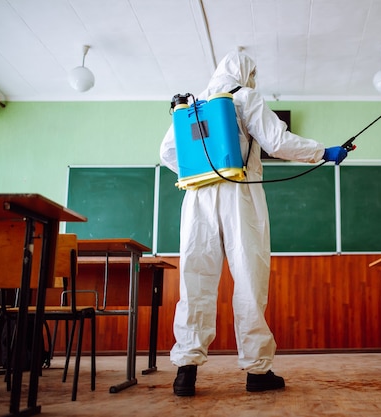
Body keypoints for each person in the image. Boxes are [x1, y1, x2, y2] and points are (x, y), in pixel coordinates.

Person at [159, 51, 348, 397]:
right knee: (248, 279)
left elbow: (168, 155)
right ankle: (257, 371)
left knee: (195, 280)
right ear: (245, 73)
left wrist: (202, 173)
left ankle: (185, 370)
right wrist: (323, 151)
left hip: (196, 197)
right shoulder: (245, 97)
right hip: (239, 195)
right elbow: (277, 141)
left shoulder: (191, 106)